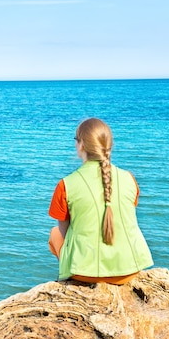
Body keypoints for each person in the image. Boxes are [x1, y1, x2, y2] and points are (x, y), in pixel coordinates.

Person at [48, 118, 153, 285]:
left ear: (81, 145)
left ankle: (69, 276)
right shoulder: (129, 179)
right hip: (128, 271)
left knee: (54, 233)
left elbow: (64, 233)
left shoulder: (66, 184)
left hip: (83, 274)